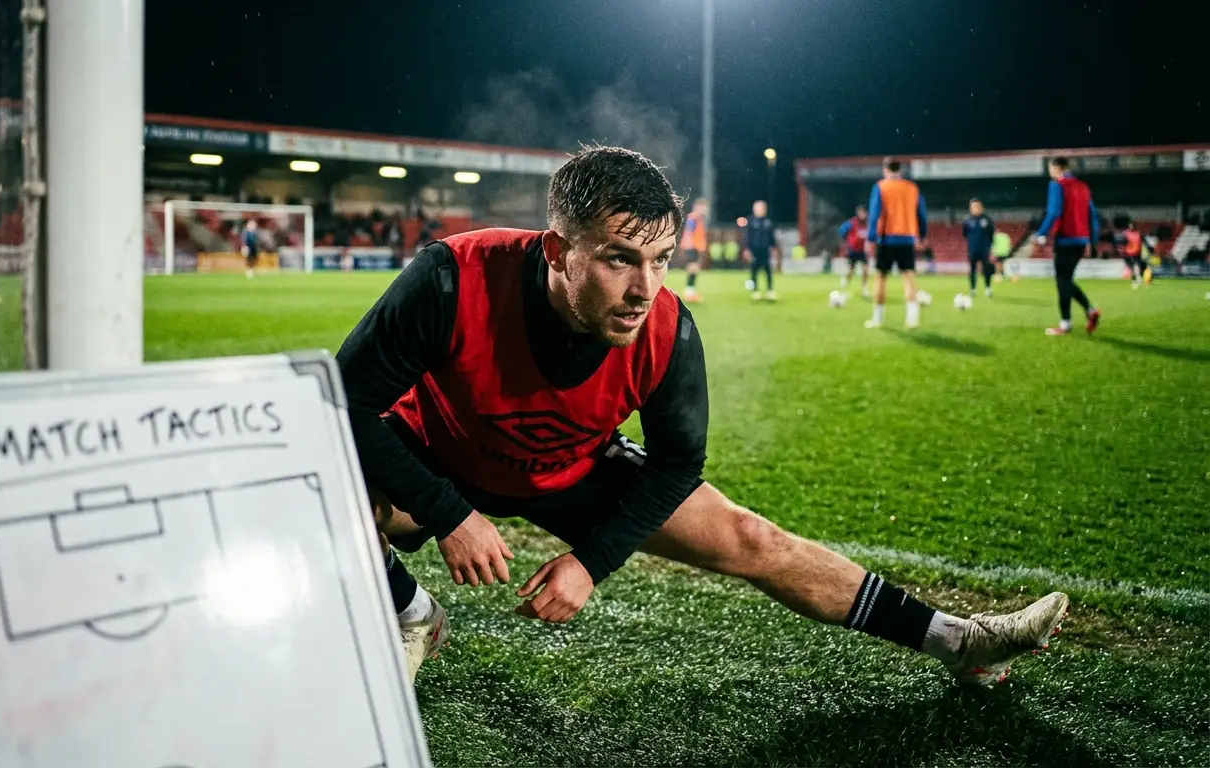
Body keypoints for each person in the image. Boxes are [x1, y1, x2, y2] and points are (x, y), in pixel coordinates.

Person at [334, 145, 1068, 688]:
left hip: (570, 468)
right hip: (436, 452)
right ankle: (412, 612)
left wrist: (591, 563)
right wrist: (449, 513)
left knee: (753, 537)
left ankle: (961, 642)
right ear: (557, 250)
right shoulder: (450, 278)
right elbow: (343, 404)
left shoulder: (667, 330)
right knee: (325, 499)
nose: (644, 288)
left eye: (660, 259)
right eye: (620, 259)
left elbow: (678, 466)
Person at [1035, 157, 1102, 336]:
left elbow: (1054, 212)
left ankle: (1065, 324)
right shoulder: (1083, 187)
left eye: (1051, 169)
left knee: (1062, 282)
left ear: (1057, 168)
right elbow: (1093, 217)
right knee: (1066, 280)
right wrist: (1092, 242)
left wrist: (1040, 233)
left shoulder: (1057, 185)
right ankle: (1090, 310)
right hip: (1081, 241)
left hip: (1065, 240)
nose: (1050, 172)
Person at [865, 158, 927, 329]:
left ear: (885, 170)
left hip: (886, 239)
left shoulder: (880, 187)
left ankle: (877, 319)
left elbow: (874, 214)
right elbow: (921, 214)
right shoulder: (912, 188)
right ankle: (912, 319)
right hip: (907, 239)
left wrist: (871, 239)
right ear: (901, 170)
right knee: (908, 277)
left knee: (880, 278)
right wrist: (922, 236)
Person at [743, 200, 779, 301]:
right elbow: (747, 237)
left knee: (768, 271)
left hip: (765, 250)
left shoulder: (768, 222)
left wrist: (774, 248)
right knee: (754, 270)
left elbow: (772, 237)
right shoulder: (751, 222)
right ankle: (755, 291)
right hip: (754, 250)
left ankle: (770, 291)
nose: (759, 210)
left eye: (761, 208)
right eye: (757, 207)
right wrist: (747, 249)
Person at [962, 198, 997, 298]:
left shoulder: (987, 219)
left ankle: (988, 288)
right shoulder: (967, 220)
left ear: (981, 207)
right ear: (970, 208)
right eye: (973, 207)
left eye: (977, 206)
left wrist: (991, 248)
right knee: (972, 269)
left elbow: (991, 234)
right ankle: (973, 289)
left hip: (984, 249)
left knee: (986, 269)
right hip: (972, 249)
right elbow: (965, 234)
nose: (975, 208)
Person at [836, 205, 871, 298]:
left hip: (863, 250)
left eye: (864, 213)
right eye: (860, 212)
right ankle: (846, 280)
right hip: (853, 249)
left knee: (865, 269)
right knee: (851, 269)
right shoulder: (852, 222)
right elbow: (841, 230)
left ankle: (864, 288)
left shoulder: (868, 224)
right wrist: (846, 242)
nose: (862, 215)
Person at [678, 197, 708, 303]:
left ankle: (691, 292)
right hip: (692, 247)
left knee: (694, 269)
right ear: (697, 207)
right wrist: (691, 246)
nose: (705, 209)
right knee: (692, 268)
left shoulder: (698, 218)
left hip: (695, 247)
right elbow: (689, 232)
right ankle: (689, 293)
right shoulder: (693, 218)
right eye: (703, 207)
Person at [1119, 219, 1147, 289]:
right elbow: (1122, 243)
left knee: (1141, 266)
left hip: (1137, 254)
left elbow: (1144, 241)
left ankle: (1136, 279)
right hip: (1128, 254)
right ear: (1128, 226)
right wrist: (1123, 251)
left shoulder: (1138, 233)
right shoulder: (1125, 234)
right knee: (1135, 266)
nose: (1132, 226)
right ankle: (1137, 279)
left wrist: (1149, 248)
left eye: (1133, 225)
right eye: (1130, 225)